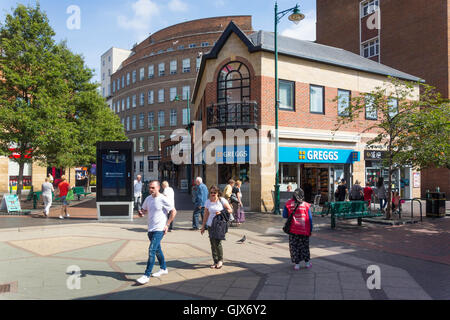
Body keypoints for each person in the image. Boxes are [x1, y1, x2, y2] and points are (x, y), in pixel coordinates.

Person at [136, 181, 177, 285]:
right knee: (157, 250)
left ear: (158, 188)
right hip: (150, 229)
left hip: (160, 229)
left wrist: (167, 225)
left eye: (153, 188)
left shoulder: (163, 198)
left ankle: (146, 275)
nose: (151, 190)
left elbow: (173, 211)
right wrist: (141, 213)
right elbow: (144, 210)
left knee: (151, 250)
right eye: (150, 188)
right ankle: (163, 268)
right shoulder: (148, 198)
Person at [200, 185, 233, 269]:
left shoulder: (222, 200)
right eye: (211, 192)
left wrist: (221, 212)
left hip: (219, 224)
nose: (213, 194)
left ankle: (220, 260)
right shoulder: (207, 202)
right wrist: (203, 226)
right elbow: (206, 214)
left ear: (218, 193)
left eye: (214, 192)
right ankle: (215, 261)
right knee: (212, 243)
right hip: (210, 224)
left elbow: (230, 210)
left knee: (217, 243)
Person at [283, 188, 313, 270]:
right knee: (305, 246)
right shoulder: (306, 205)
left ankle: (297, 265)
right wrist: (310, 230)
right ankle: (307, 263)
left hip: (293, 230)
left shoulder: (289, 204)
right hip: (304, 230)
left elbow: (284, 215)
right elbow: (310, 219)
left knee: (294, 247)